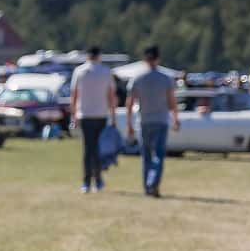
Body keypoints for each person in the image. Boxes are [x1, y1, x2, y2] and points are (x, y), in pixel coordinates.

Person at [125, 45, 179, 198]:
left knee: (146, 156)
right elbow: (172, 101)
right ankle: (153, 183)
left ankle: (147, 186)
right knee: (159, 155)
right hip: (161, 121)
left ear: (144, 59)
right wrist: (176, 118)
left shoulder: (137, 78)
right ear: (158, 58)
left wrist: (129, 123)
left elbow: (129, 103)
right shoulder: (166, 78)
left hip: (144, 121)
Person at [70, 46, 118, 193]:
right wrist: (113, 115)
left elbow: (74, 96)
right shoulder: (105, 71)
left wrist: (74, 116)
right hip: (101, 115)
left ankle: (86, 182)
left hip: (84, 115)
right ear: (99, 56)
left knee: (88, 150)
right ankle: (98, 181)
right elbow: (111, 96)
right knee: (99, 149)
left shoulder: (80, 71)